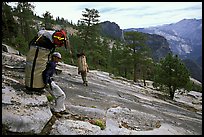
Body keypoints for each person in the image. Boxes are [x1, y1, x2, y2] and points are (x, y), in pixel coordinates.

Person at [42, 52, 69, 117]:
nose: (59, 60)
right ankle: (57, 110)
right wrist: (48, 83)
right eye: (58, 58)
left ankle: (62, 109)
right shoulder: (52, 64)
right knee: (61, 95)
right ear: (54, 57)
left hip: (49, 81)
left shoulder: (51, 63)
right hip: (49, 82)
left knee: (59, 95)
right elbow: (46, 74)